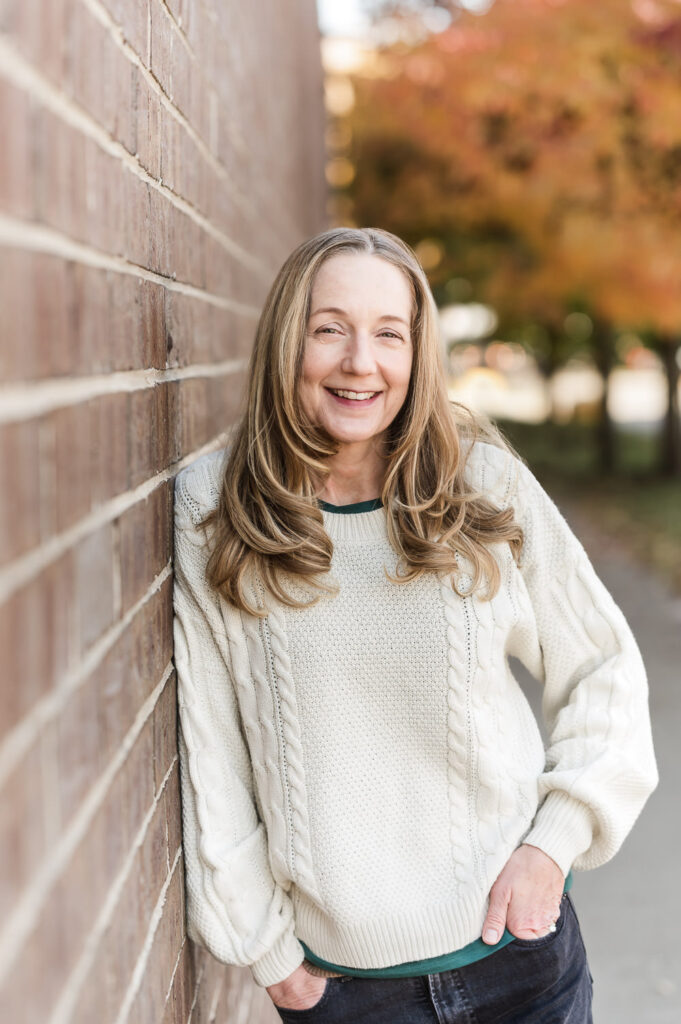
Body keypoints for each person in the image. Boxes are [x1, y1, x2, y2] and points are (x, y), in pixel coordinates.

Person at [172, 226, 658, 1023]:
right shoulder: (214, 509)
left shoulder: (481, 483)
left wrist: (553, 841)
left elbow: (601, 665)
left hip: (524, 967)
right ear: (285, 341)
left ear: (416, 353)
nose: (359, 361)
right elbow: (212, 755)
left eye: (388, 334)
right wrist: (271, 958)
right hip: (348, 996)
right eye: (328, 329)